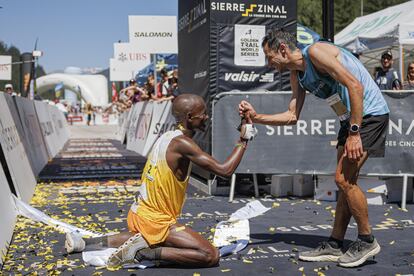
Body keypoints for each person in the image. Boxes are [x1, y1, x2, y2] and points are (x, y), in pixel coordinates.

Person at [239, 29, 389, 268]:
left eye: (269, 57)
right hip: (349, 120)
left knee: (343, 179)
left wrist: (354, 132)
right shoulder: (297, 75)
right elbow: (291, 116)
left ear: (283, 50)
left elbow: (355, 86)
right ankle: (334, 243)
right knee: (345, 180)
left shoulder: (316, 52)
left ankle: (367, 240)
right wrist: (256, 117)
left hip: (368, 116)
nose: (269, 64)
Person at [65, 94, 257, 268]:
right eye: (203, 114)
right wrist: (244, 138)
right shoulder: (183, 144)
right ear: (189, 117)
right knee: (210, 255)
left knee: (143, 237)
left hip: (139, 213)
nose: (206, 117)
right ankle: (144, 254)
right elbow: (225, 170)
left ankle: (84, 243)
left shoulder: (168, 137)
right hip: (157, 220)